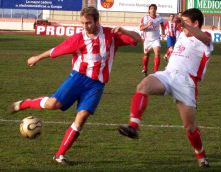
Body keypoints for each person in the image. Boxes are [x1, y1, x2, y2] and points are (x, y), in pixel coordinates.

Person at [10, 6, 141, 165]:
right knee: (53, 104)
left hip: (97, 85)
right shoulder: (79, 37)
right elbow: (57, 50)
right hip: (78, 78)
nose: (85, 26)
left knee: (82, 118)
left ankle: (60, 155)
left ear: (97, 21)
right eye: (83, 23)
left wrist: (125, 31)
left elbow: (137, 39)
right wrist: (37, 57)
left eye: (88, 23)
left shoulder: (111, 35)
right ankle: (25, 103)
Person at [118, 8, 213, 168]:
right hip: (168, 75)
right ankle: (133, 126)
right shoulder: (182, 34)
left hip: (186, 82)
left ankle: (201, 156)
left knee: (190, 128)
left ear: (196, 24)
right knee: (143, 86)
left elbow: (203, 37)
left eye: (186, 22)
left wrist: (185, 25)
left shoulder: (205, 39)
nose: (182, 25)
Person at [140, 4, 165, 76]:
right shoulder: (145, 18)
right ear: (149, 10)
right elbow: (141, 28)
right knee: (146, 54)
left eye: (154, 8)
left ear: (156, 10)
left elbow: (162, 25)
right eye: (151, 8)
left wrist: (163, 32)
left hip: (156, 39)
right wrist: (148, 25)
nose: (153, 10)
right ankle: (145, 67)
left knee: (157, 52)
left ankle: (155, 71)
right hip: (147, 40)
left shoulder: (159, 18)